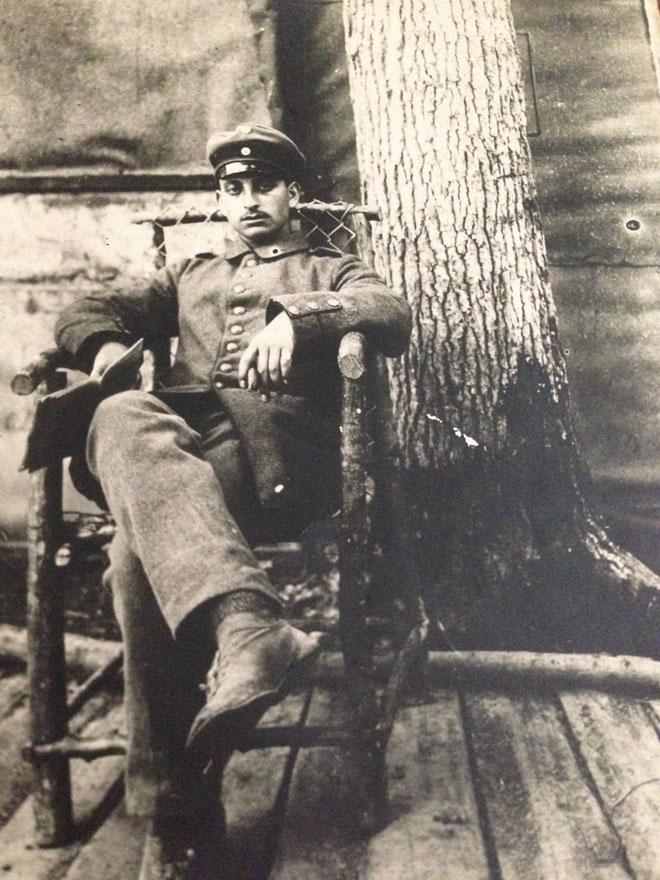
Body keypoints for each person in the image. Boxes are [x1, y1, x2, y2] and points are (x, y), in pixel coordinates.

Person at [54, 123, 411, 877]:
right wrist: (106, 351)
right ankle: (247, 626)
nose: (248, 201)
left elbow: (390, 313)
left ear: (292, 193)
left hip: (278, 472)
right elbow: (86, 309)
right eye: (233, 188)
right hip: (188, 474)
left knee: (135, 553)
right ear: (221, 198)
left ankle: (169, 807)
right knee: (117, 417)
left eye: (263, 186)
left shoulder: (329, 266)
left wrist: (300, 316)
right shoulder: (191, 274)